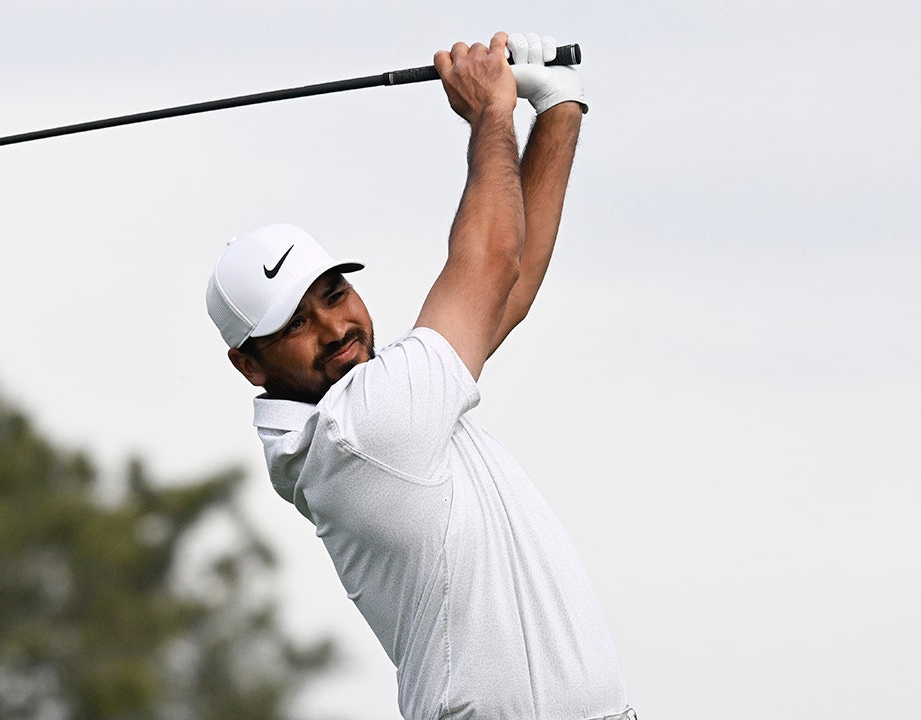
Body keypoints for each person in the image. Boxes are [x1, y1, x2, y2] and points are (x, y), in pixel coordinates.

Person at [205, 32, 633, 720]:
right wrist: (490, 113)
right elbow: (490, 262)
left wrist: (557, 107)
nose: (334, 328)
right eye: (295, 324)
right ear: (249, 364)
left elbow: (507, 285)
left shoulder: (384, 404)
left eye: (335, 294)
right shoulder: (358, 432)